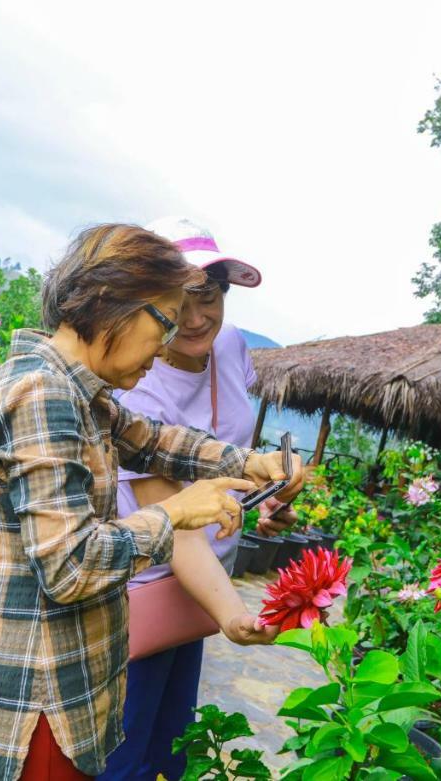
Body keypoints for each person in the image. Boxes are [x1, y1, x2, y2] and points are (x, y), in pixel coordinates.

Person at [0, 223, 304, 781]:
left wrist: (247, 463)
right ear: (112, 303)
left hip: (68, 682)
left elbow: (156, 440)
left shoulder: (81, 391)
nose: (170, 340)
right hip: (39, 695)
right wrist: (172, 514)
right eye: (165, 320)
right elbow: (69, 566)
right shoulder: (42, 396)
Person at [98, 218, 302, 781]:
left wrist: (265, 495)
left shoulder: (231, 346)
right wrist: (235, 616)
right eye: (178, 303)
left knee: (173, 749)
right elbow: (175, 528)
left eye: (207, 298)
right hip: (145, 586)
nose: (194, 321)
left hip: (198, 590)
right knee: (124, 758)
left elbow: (228, 450)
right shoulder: (135, 381)